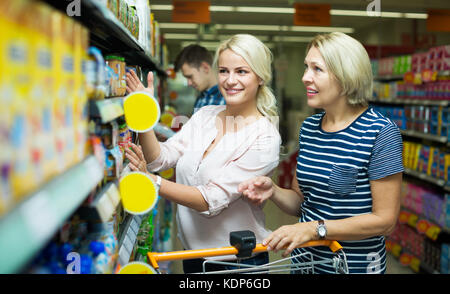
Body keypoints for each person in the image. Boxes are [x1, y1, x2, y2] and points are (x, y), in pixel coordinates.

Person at [238, 32, 404, 274]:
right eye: (306, 67)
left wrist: (315, 229)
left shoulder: (380, 133)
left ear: (346, 74)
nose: (305, 77)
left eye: (317, 69)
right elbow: (302, 202)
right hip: (306, 264)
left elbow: (385, 221)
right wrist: (272, 190)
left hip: (352, 267)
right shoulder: (310, 128)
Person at [125, 34, 281, 273]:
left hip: (238, 262)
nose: (230, 80)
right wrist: (144, 116)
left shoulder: (265, 137)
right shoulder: (205, 115)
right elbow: (160, 158)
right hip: (195, 255)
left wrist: (151, 182)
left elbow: (209, 200)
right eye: (224, 71)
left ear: (260, 76)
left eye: (241, 72)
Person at [174, 44, 226, 114]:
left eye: (190, 77)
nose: (189, 83)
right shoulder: (202, 97)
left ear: (205, 68)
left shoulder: (227, 99)